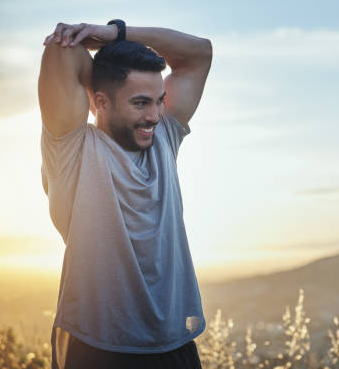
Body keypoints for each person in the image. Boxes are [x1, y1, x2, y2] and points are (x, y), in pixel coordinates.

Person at [38, 20, 212, 368]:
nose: (154, 115)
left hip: (173, 345)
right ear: (98, 101)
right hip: (96, 347)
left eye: (159, 101)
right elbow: (62, 49)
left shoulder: (164, 134)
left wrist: (116, 33)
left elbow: (199, 53)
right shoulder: (72, 148)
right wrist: (105, 69)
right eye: (140, 103)